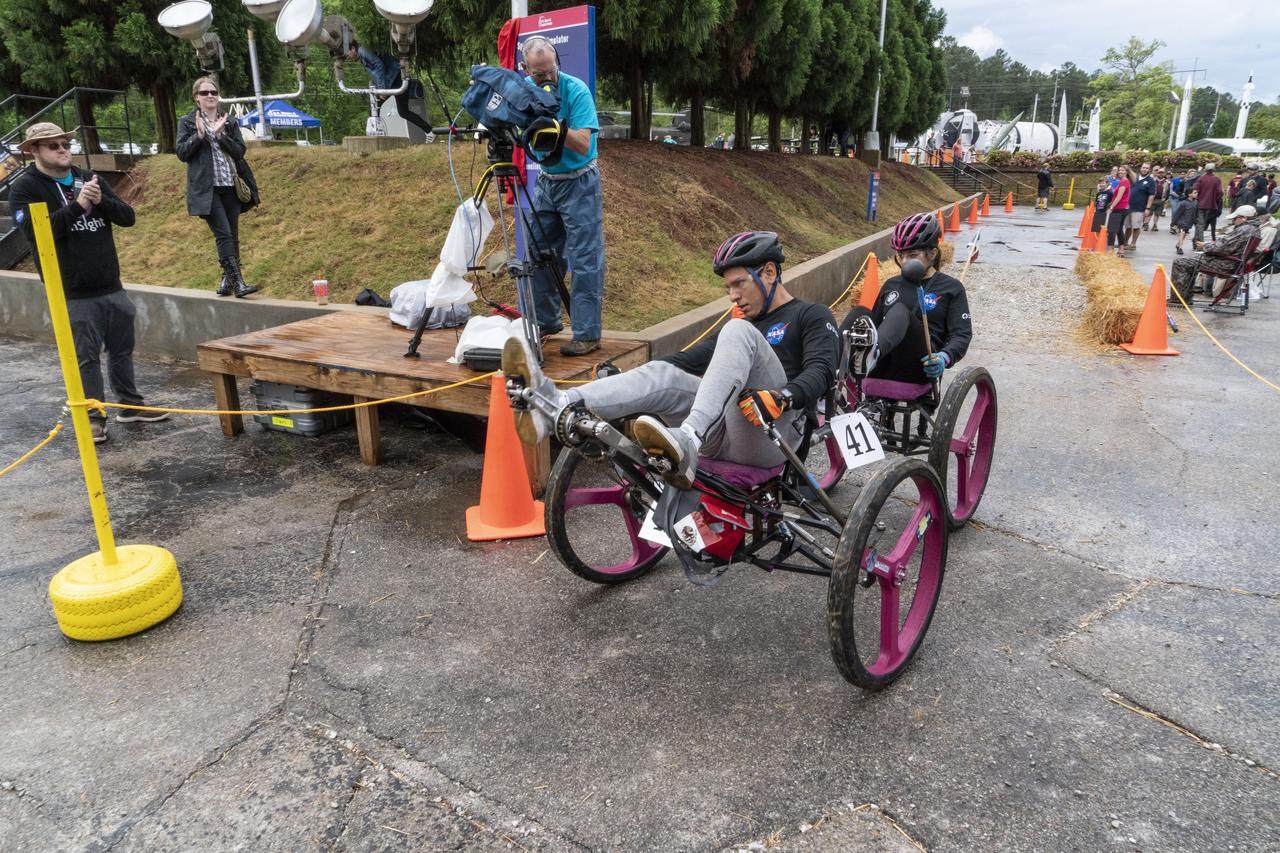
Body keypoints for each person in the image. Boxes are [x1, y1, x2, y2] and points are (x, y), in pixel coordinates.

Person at [501, 231, 840, 490]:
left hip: (773, 432)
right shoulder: (745, 323)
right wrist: (629, 378)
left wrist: (785, 396)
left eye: (739, 283)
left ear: (768, 272)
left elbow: (823, 372)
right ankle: (556, 403)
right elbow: (685, 361)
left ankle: (688, 439)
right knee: (664, 372)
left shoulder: (810, 314)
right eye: (728, 288)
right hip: (723, 429)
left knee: (738, 332)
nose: (733, 294)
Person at [10, 122, 168, 444]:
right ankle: (94, 417)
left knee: (122, 350)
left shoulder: (87, 177)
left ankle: (129, 405)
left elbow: (128, 217)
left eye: (65, 143)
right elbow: (37, 233)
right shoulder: (25, 188)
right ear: (35, 151)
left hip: (111, 284)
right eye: (53, 145)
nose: (63, 149)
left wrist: (100, 201)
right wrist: (78, 206)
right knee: (86, 358)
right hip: (72, 291)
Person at [521, 35, 605, 357]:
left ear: (558, 63)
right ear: (526, 70)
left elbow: (584, 144)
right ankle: (545, 321)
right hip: (547, 181)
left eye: (550, 70)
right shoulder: (525, 93)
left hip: (580, 182)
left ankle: (587, 334)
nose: (546, 78)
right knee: (539, 252)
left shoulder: (577, 91)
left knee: (585, 258)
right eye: (538, 74)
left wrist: (555, 126)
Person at [842, 212, 971, 386]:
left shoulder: (951, 288)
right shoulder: (891, 285)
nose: (904, 262)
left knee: (900, 311)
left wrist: (945, 356)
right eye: (900, 255)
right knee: (860, 312)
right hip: (881, 364)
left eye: (912, 255)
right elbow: (875, 325)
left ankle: (874, 352)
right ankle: (827, 372)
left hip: (920, 366)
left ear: (932, 253)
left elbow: (961, 335)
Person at [176, 76, 259, 298]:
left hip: (230, 185)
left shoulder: (229, 120)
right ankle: (238, 282)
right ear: (196, 98)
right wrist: (200, 135)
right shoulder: (187, 122)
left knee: (232, 234)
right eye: (204, 93)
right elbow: (182, 153)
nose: (210, 96)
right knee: (223, 234)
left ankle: (227, 281)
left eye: (213, 92)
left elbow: (240, 151)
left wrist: (221, 135)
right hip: (207, 189)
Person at [1170, 205, 1261, 302]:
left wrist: (1205, 246)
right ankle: (1184, 296)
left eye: (1235, 218)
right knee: (1189, 261)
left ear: (1244, 218)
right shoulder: (1254, 229)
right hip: (1232, 263)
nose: (1233, 220)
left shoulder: (1244, 229)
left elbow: (1222, 248)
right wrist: (1209, 245)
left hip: (1226, 264)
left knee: (1180, 262)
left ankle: (1178, 299)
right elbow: (1227, 245)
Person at [345, 39, 434, 138]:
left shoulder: (363, 51)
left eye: (347, 53)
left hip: (395, 78)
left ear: (353, 48)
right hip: (392, 79)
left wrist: (382, 89)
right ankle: (429, 131)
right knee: (379, 108)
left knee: (396, 111)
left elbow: (379, 66)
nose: (347, 57)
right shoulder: (362, 55)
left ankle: (429, 131)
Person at [1126, 163, 1156, 250]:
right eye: (1143, 167)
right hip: (1128, 206)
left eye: (1147, 168)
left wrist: (1148, 208)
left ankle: (1133, 244)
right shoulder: (1135, 177)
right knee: (1128, 226)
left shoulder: (1150, 181)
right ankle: (1125, 242)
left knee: (1136, 226)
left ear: (1149, 170)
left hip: (1140, 207)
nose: (1144, 169)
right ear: (1140, 168)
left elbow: (1151, 195)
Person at [1194, 163, 1223, 246]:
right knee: (1207, 224)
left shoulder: (1201, 179)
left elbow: (1196, 190)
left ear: (1205, 170)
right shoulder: (1217, 179)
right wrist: (1215, 200)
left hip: (1200, 204)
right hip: (1211, 205)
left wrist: (1198, 199)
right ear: (1213, 170)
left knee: (1200, 225)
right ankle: (1199, 243)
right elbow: (1220, 192)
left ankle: (1197, 242)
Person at [1107, 165, 1133, 253]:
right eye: (1119, 170)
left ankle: (1111, 248)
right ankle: (1121, 248)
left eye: (1122, 170)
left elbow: (1119, 196)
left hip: (1119, 208)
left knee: (1111, 229)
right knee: (1118, 229)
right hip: (1122, 207)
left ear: (1127, 172)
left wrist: (1111, 207)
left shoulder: (1124, 181)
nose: (1120, 172)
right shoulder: (1123, 181)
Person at [1171, 185, 1197, 255]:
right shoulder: (1183, 203)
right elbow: (1177, 214)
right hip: (1182, 222)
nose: (1196, 194)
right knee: (1182, 233)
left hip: (1189, 223)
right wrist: (1173, 223)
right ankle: (1180, 248)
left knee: (1184, 234)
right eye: (1195, 193)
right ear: (1189, 194)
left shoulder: (1196, 202)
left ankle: (1178, 244)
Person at [1092, 177, 1114, 241]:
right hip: (1098, 212)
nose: (1101, 184)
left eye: (1103, 183)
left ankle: (1104, 241)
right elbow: (1097, 202)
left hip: (1106, 213)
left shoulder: (1110, 193)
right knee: (1097, 228)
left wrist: (1109, 209)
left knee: (1105, 228)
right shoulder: (1099, 193)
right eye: (1100, 183)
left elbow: (1112, 202)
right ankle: (1098, 241)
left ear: (1107, 184)